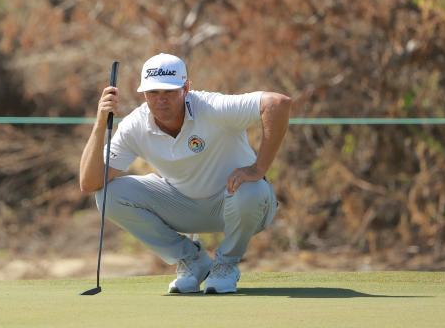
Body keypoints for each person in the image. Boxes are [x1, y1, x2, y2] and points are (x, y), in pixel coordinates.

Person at [79, 53, 291, 294]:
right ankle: (193, 260)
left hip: (244, 206)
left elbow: (277, 104)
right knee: (108, 195)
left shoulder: (212, 108)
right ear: (143, 94)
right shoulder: (135, 125)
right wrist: (99, 123)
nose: (161, 101)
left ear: (186, 88)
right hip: (185, 210)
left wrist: (258, 168)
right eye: (153, 93)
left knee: (252, 188)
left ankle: (226, 265)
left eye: (169, 92)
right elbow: (89, 183)